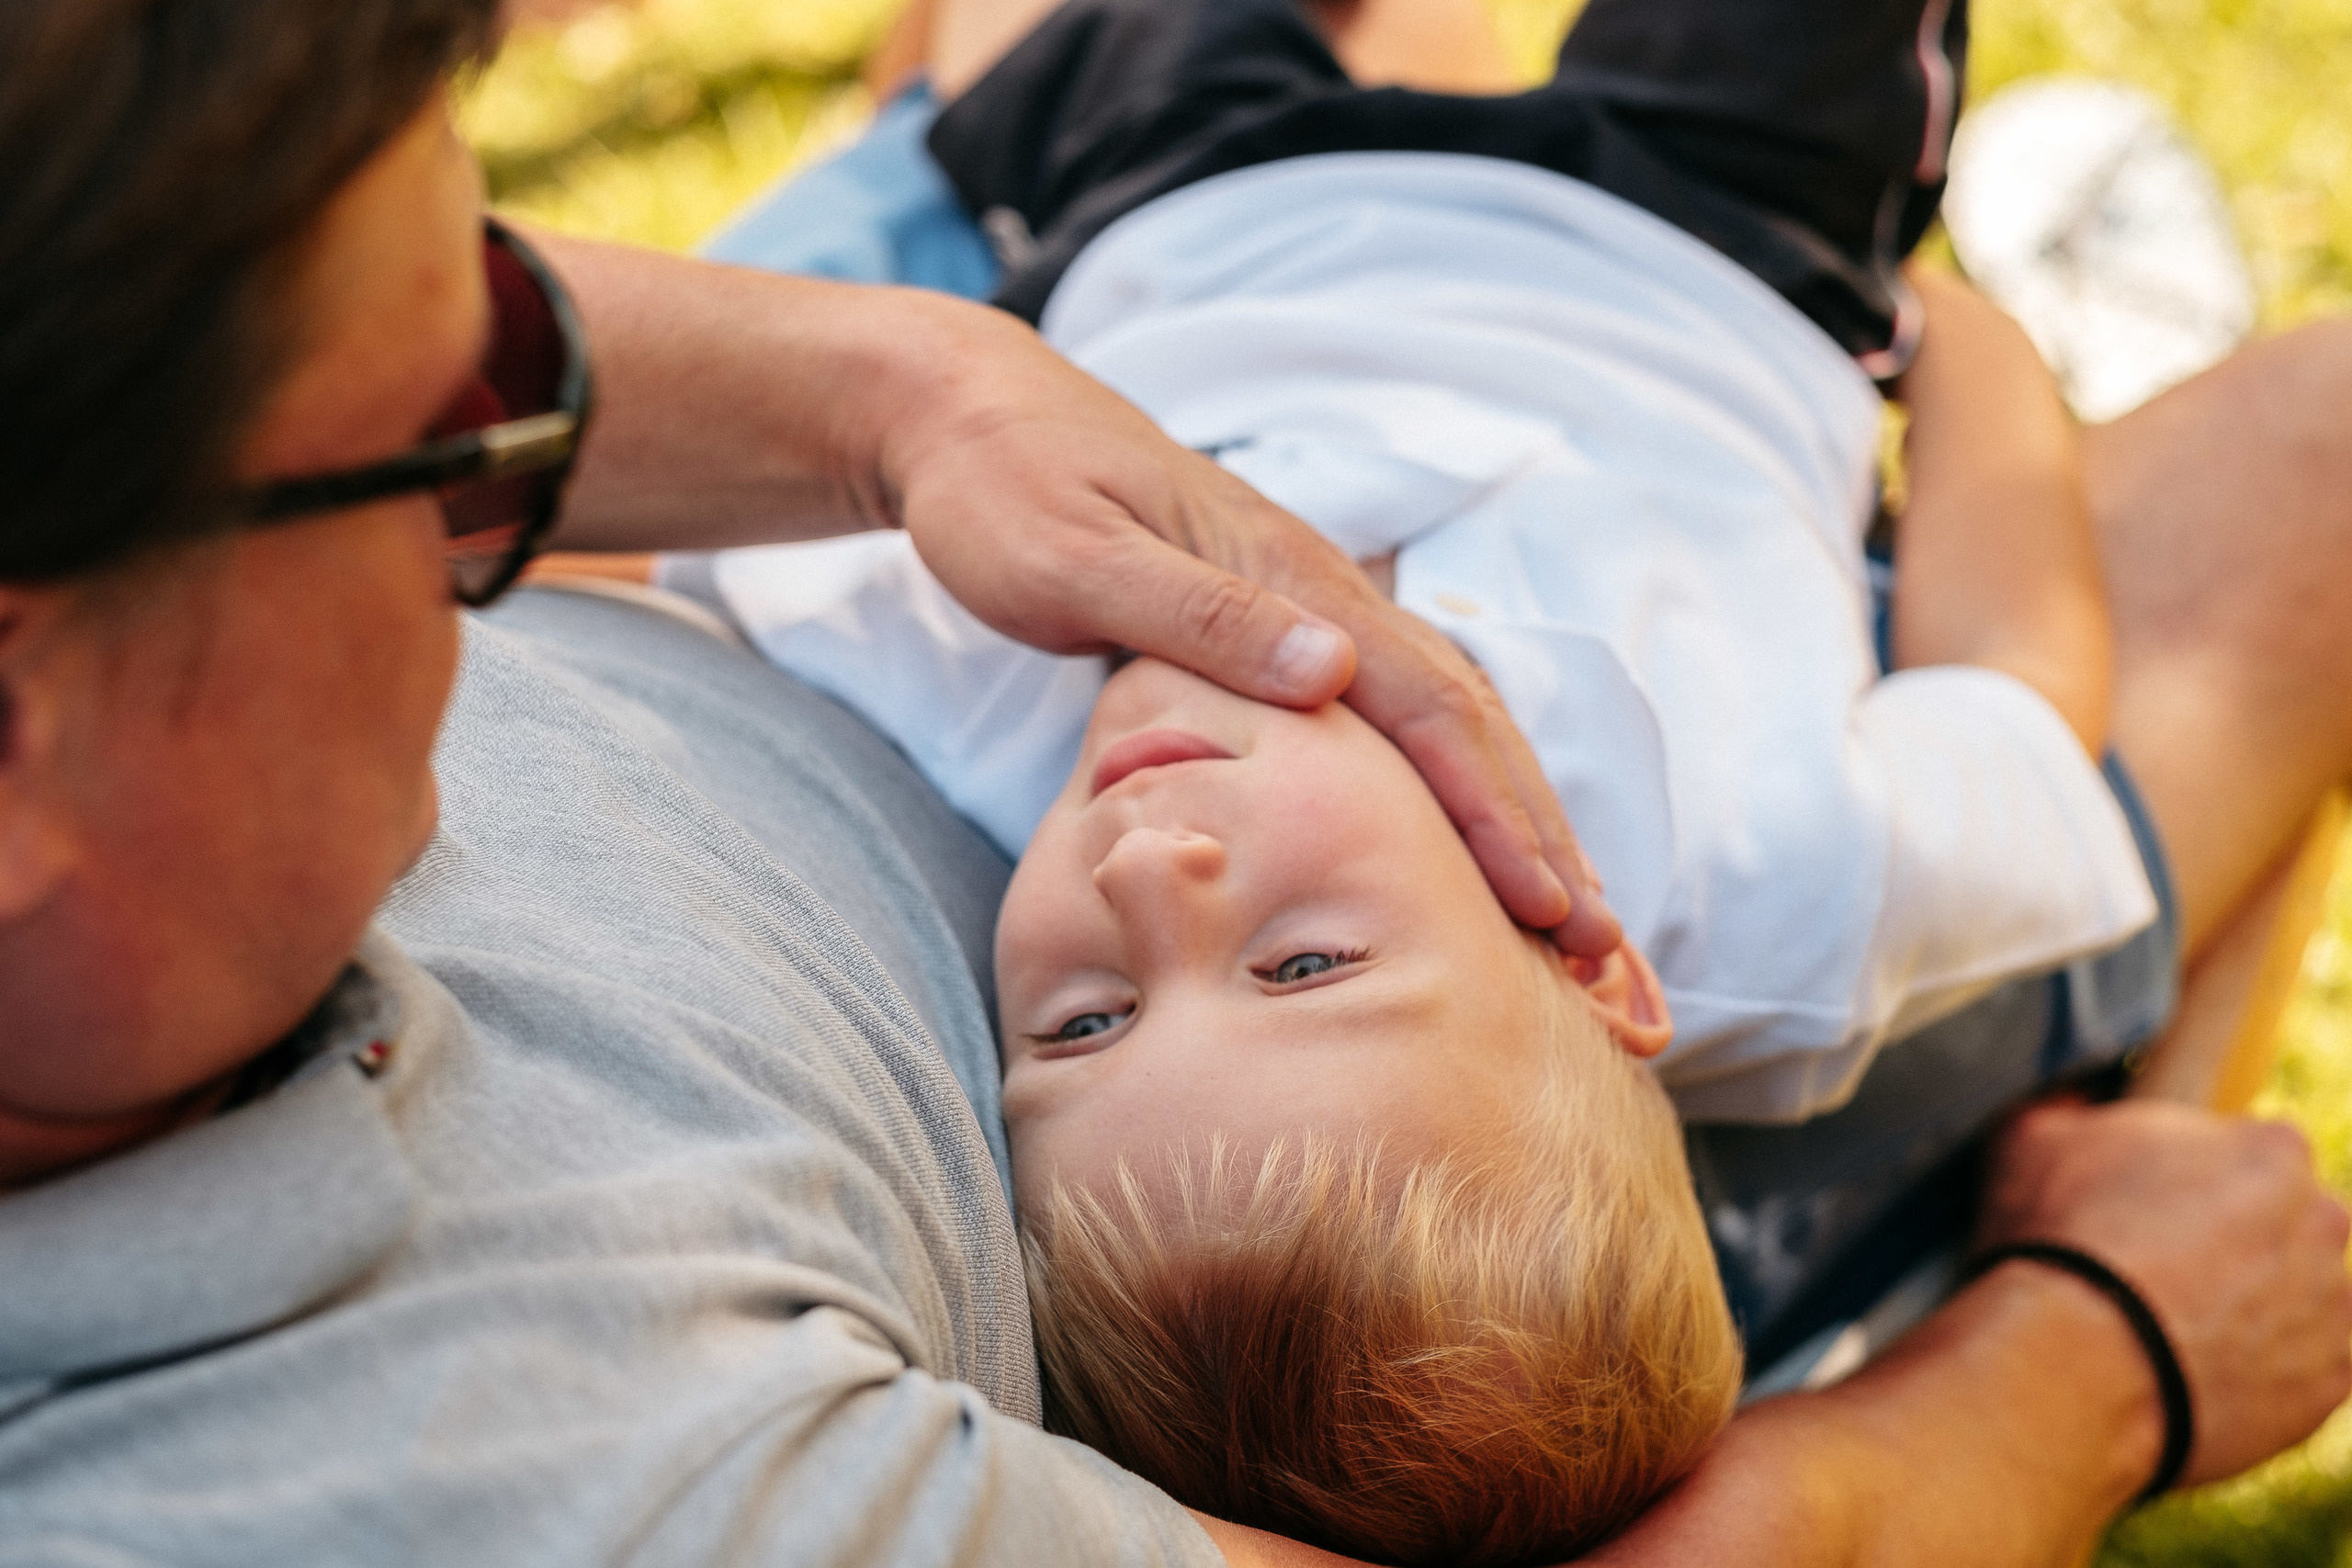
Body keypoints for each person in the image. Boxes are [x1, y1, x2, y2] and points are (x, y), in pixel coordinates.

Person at [0, 6, 2346, 1568]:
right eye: (464, 463)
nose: (529, 508)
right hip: (1462, 1105)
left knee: (1205, 55)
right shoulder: (455, 1489)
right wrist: (2089, 1349)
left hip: (1094, 446)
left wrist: (888, 393)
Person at [615, 0, 2169, 1555]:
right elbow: (2020, 697)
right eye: (1302, 963)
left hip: (1190, 199)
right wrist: (1978, 358)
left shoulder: (982, 703)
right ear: (1598, 974)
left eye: (1086, 1020)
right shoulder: (1786, 906)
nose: (1146, 873)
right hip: (1714, 238)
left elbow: (667, 549)